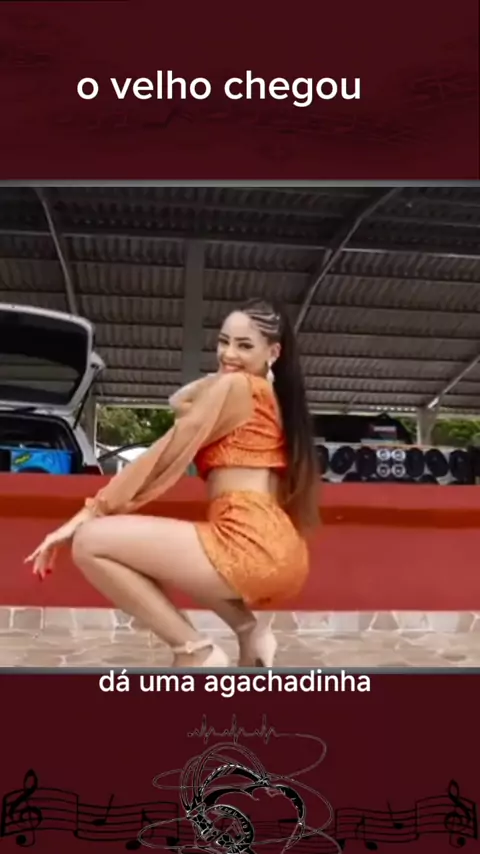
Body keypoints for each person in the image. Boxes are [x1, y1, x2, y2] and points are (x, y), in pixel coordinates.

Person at [25, 299, 320, 668]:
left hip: (246, 543)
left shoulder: (238, 388)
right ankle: (249, 630)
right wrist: (226, 372)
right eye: (223, 341)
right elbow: (180, 401)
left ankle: (194, 651)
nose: (228, 354)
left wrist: (89, 512)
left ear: (273, 352)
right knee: (157, 556)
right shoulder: (268, 397)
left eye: (244, 346)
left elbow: (167, 449)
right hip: (279, 547)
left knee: (89, 542)